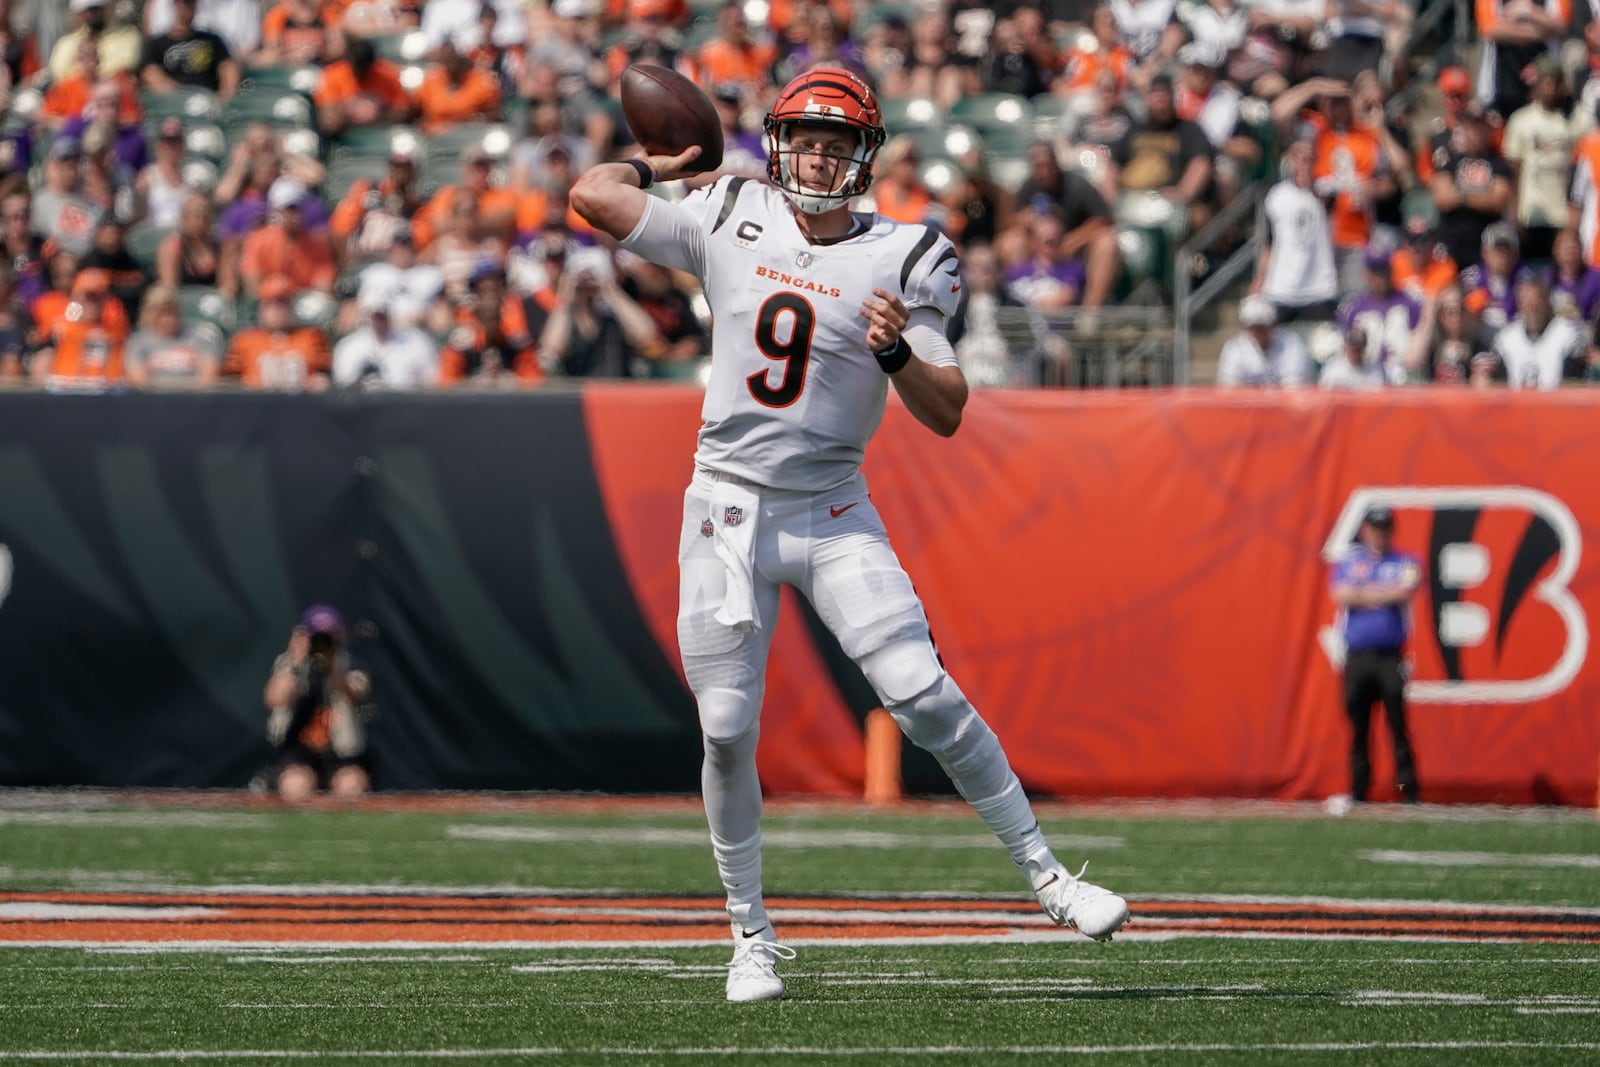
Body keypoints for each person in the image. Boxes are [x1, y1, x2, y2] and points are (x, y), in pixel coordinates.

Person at [570, 65, 1129, 1004]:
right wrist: (664, 160)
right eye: (806, 138)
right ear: (778, 142)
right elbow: (593, 195)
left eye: (838, 143)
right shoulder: (730, 210)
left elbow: (947, 411)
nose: (819, 157)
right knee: (724, 728)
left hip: (830, 509)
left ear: (864, 156)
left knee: (921, 691)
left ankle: (1048, 876)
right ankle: (750, 933)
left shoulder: (909, 255)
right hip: (726, 507)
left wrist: (896, 351)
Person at [1326, 505, 1420, 814]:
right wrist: (1383, 593)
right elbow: (1341, 594)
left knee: (1397, 725)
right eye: (1374, 529)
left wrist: (1365, 592)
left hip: (1390, 656)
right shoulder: (1349, 563)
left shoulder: (1405, 561)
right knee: (1359, 727)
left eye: (1385, 529)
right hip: (1358, 656)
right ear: (1365, 530)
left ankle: (1407, 790)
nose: (1379, 535)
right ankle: (1359, 791)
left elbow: (1405, 590)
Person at [259, 604, 373, 802]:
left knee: (351, 785)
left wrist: (333, 668)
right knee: (295, 785)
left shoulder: (353, 665)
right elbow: (274, 699)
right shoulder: (289, 663)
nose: (322, 643)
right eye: (317, 637)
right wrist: (294, 661)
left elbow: (354, 695)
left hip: (341, 751)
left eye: (328, 637)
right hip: (299, 751)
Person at [1217, 294, 1310, 386]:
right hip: (1248, 400)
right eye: (1252, 327)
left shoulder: (1292, 344)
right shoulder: (1234, 348)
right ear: (1244, 327)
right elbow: (1230, 389)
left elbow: (1293, 388)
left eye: (1262, 327)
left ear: (1274, 324)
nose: (1257, 332)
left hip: (1282, 400)